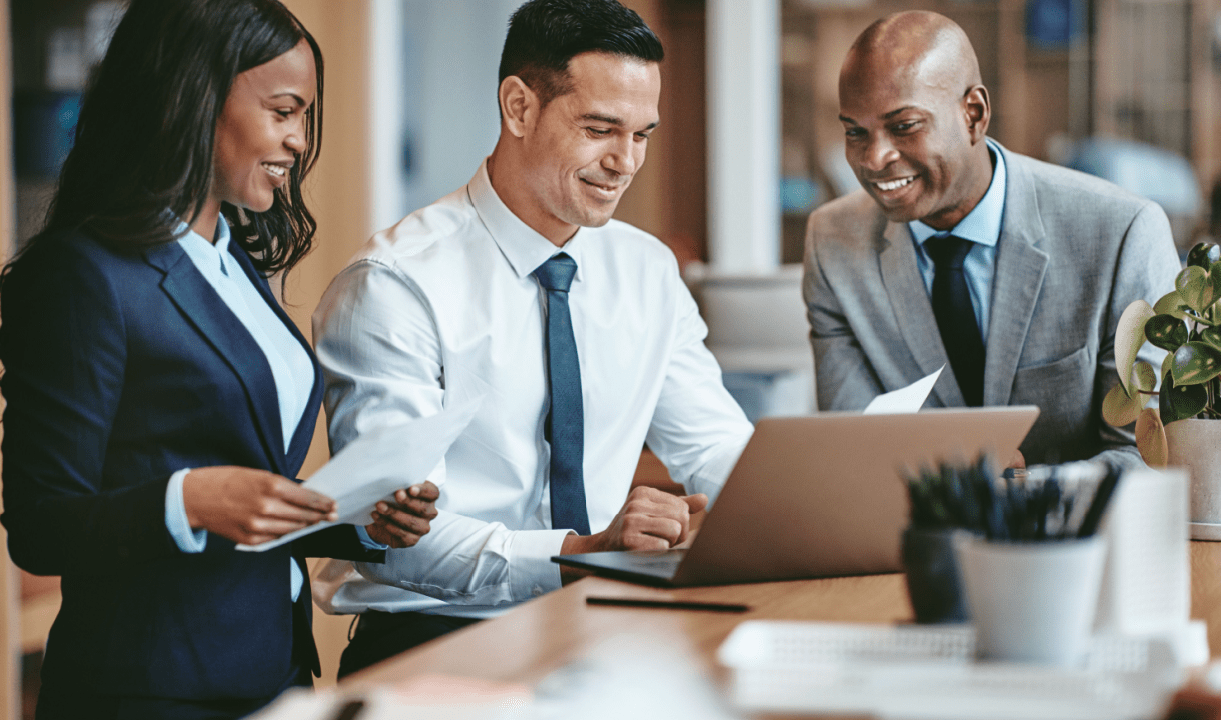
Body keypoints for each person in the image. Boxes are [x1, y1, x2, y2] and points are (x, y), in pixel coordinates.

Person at [0, 1, 439, 716]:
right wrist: (191, 498)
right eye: (284, 111)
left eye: (304, 117)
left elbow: (241, 481)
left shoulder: (231, 264)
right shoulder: (86, 275)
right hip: (151, 694)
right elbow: (42, 525)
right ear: (195, 98)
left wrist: (354, 516)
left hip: (272, 669)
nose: (298, 142)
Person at [313, 0, 754, 677]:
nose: (625, 162)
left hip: (606, 636)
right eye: (601, 129)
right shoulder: (394, 286)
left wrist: (790, 509)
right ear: (519, 108)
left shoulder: (646, 270)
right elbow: (402, 542)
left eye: (642, 134)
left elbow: (713, 445)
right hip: (435, 651)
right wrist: (586, 549)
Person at [803, 10, 1180, 468]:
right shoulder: (832, 242)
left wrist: (1018, 495)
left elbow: (1145, 455)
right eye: (855, 132)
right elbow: (855, 449)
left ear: (974, 114)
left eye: (904, 126)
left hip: (1077, 536)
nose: (874, 157)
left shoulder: (1122, 233)